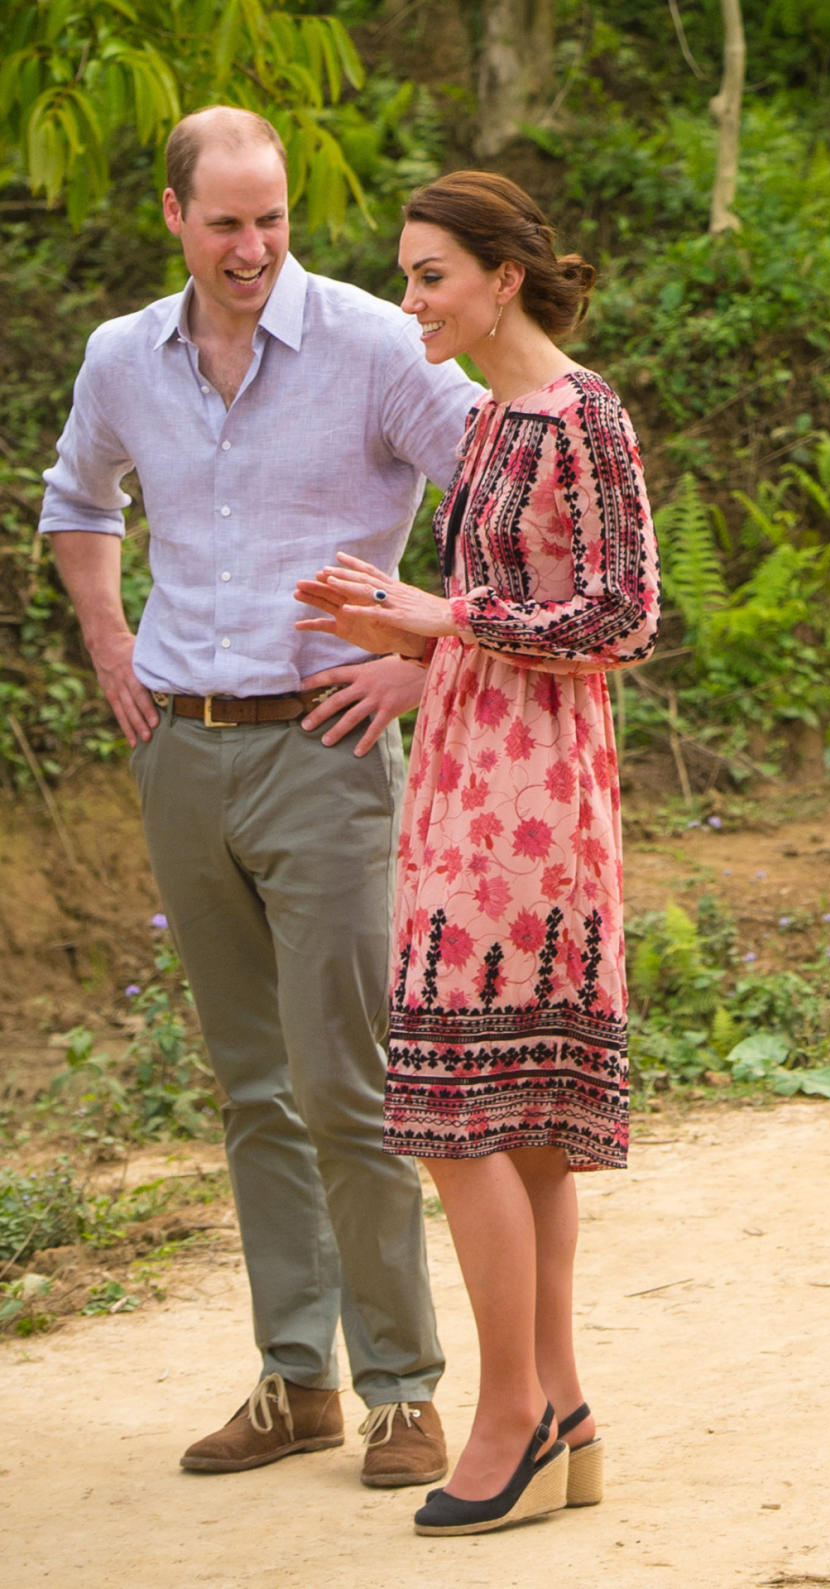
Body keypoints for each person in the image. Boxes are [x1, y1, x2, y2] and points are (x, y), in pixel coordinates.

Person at [38, 107, 483, 1487]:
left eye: (273, 217)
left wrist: (428, 661)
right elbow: (77, 500)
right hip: (182, 750)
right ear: (173, 217)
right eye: (226, 221)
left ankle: (403, 1387)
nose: (254, 246)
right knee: (250, 1088)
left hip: (328, 750)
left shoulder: (368, 342)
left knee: (345, 1083)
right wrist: (112, 642)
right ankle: (299, 1380)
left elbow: (517, 503)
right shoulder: (123, 356)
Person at [294, 170, 661, 1535]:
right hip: (466, 772)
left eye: (431, 273)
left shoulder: (583, 416)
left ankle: (507, 1415)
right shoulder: (494, 422)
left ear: (504, 277)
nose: (411, 299)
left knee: (464, 1116)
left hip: (533, 799)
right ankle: (557, 1406)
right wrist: (392, 627)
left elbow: (622, 614)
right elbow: (502, 609)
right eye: (405, 274)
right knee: (520, 1130)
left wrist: (438, 612)